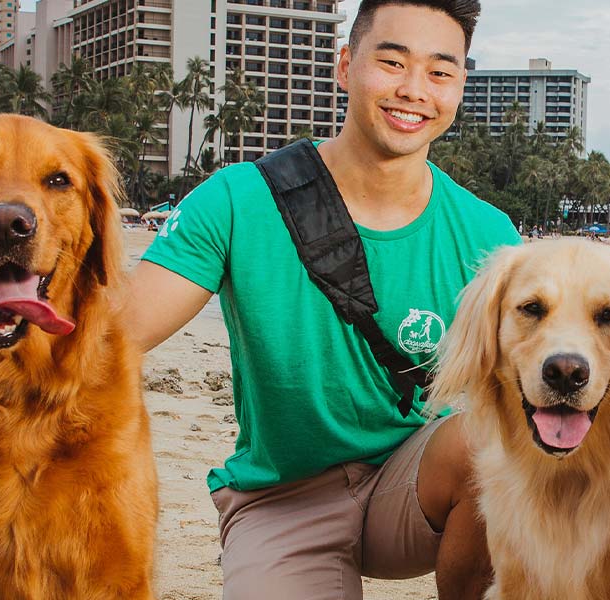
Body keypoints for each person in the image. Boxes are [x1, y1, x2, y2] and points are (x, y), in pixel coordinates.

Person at [118, 1, 508, 598]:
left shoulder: (487, 236)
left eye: (439, 71)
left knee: (490, 441)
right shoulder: (238, 200)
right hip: (283, 497)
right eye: (392, 62)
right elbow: (114, 336)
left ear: (458, 88)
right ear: (346, 66)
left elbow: (537, 384)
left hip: (414, 486)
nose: (413, 90)